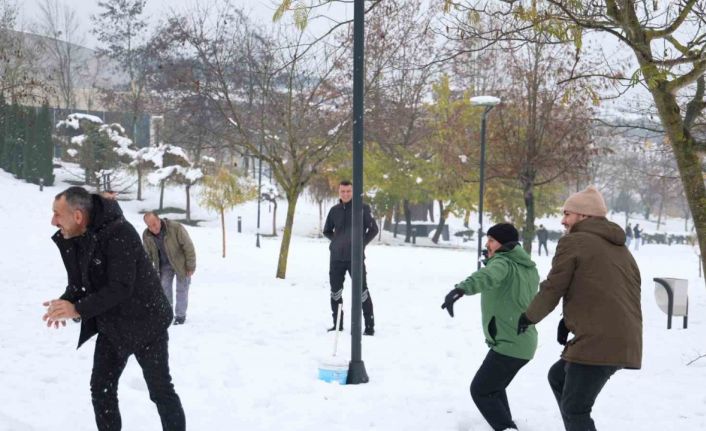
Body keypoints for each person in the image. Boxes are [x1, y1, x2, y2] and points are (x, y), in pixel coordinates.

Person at [44, 186, 185, 431]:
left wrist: (77, 309)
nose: (53, 221)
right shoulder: (78, 235)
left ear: (77, 216)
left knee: (160, 390)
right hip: (113, 326)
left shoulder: (120, 233)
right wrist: (65, 303)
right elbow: (81, 282)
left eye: (57, 214)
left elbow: (120, 287)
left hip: (147, 323)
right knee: (101, 387)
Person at [517, 186, 642, 431]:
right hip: (621, 338)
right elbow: (601, 289)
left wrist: (529, 316)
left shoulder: (574, 242)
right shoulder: (620, 248)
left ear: (584, 216)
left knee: (576, 408)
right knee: (558, 377)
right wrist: (569, 320)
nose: (563, 221)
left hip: (599, 340)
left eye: (568, 214)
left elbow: (554, 286)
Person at [442, 223, 539, 431]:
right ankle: (507, 426)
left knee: (481, 390)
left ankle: (506, 428)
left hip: (509, 343)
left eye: (492, 240)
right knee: (494, 389)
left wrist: (460, 290)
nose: (488, 244)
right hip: (523, 340)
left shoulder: (502, 263)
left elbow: (487, 276)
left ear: (504, 244)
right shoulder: (528, 268)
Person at [323, 180, 378, 335]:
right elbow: (327, 230)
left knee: (362, 292)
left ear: (353, 192)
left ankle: (369, 327)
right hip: (336, 259)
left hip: (355, 259)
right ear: (339, 192)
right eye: (342, 191)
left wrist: (361, 244)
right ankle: (337, 324)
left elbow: (374, 229)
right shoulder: (334, 211)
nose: (345, 194)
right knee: (336, 292)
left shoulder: (362, 209)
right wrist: (336, 242)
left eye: (348, 191)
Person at [143, 212, 196, 325]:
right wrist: (146, 271)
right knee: (164, 289)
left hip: (181, 263)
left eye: (154, 223)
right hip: (164, 265)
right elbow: (147, 255)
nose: (153, 227)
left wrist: (190, 265)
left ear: (159, 219)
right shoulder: (147, 235)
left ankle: (180, 316)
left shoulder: (175, 228)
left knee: (182, 290)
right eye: (150, 225)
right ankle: (167, 314)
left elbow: (188, 246)